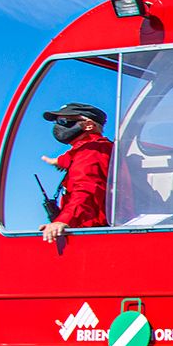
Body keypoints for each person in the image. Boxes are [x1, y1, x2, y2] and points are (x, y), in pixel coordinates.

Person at [39, 103, 112, 243]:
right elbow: (73, 157)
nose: (58, 126)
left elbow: (87, 189)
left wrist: (63, 221)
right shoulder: (94, 149)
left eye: (64, 121)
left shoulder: (92, 151)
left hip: (93, 235)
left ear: (88, 125)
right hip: (94, 231)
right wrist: (59, 161)